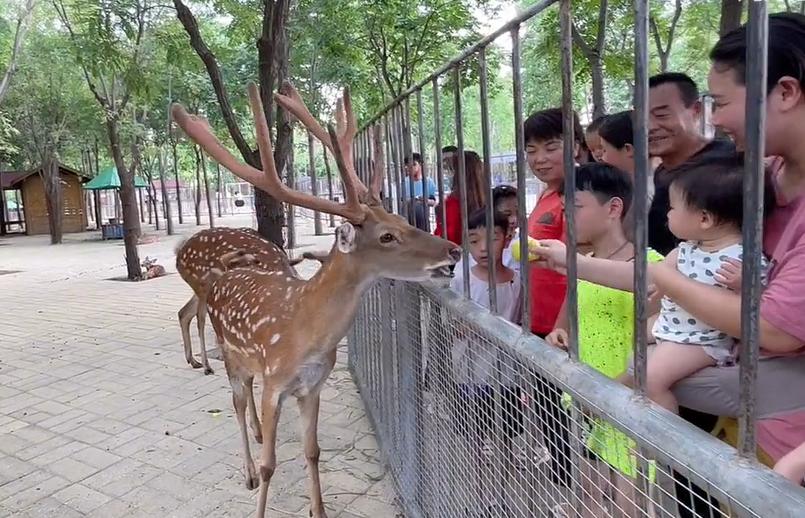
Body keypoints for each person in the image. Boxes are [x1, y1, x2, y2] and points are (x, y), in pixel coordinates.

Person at [532, 11, 805, 492]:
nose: (716, 117)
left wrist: (671, 278)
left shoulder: (726, 184)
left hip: (786, 450)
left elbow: (777, 329)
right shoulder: (759, 177)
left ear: (785, 92)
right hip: (744, 431)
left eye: (720, 102)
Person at [547, 162, 662, 518]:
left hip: (631, 407)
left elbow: (656, 345)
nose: (567, 217)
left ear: (613, 208)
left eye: (576, 208)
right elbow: (563, 322)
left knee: (632, 506)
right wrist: (557, 334)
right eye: (564, 210)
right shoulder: (585, 264)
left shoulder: (652, 267)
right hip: (586, 405)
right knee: (589, 499)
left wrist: (613, 392)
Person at [448, 209, 524, 511]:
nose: (482, 248)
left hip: (506, 376)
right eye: (473, 240)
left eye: (491, 239)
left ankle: (501, 497)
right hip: (469, 374)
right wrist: (474, 326)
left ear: (507, 239)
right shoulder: (459, 280)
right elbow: (452, 328)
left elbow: (520, 323)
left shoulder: (518, 281)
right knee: (475, 439)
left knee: (505, 439)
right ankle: (481, 499)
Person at [646, 72, 737, 256]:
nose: (649, 126)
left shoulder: (728, 163)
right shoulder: (661, 172)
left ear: (696, 110)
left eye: (662, 115)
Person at [453, 185, 520, 275]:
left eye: (519, 213)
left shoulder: (524, 242)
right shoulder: (476, 244)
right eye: (507, 214)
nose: (514, 220)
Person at [434, 151, 487, 245]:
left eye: (450, 169)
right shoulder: (489, 198)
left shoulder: (453, 202)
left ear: (458, 173)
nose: (447, 173)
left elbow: (449, 238)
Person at [402, 153, 437, 231]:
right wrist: (410, 200)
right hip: (407, 224)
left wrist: (425, 200)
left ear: (420, 165)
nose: (410, 168)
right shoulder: (404, 182)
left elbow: (433, 202)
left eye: (414, 164)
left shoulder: (429, 182)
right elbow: (401, 202)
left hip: (423, 224)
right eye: (407, 166)